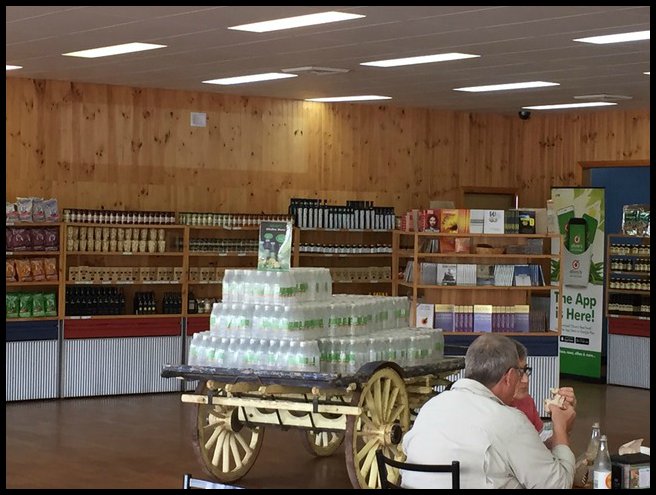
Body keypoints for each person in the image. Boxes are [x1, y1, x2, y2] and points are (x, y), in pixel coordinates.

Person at [401, 334, 576, 489]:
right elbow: (559, 484)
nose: (522, 379)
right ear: (509, 377)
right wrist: (560, 427)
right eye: (520, 372)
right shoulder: (509, 420)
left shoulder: (431, 407)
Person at [510, 339, 576, 447]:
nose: (526, 380)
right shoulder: (489, 411)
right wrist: (560, 427)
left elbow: (540, 442)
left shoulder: (526, 401)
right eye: (519, 372)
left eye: (526, 370)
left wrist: (564, 424)